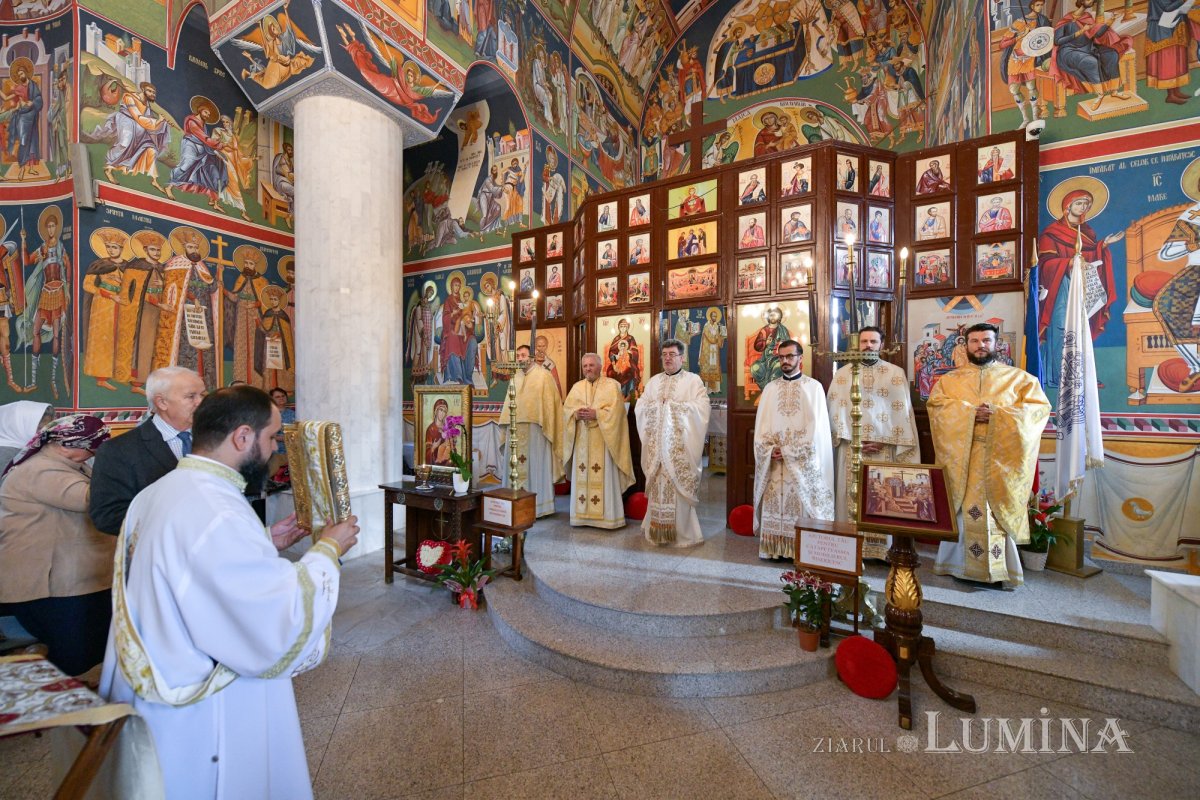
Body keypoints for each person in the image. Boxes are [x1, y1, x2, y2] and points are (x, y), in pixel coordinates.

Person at [99, 386, 360, 799]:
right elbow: (272, 616)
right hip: (202, 707)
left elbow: (196, 566)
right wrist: (328, 550)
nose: (274, 449)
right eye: (272, 438)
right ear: (242, 437)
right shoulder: (218, 510)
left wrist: (262, 540)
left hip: (158, 677)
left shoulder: (160, 492)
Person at [928, 323, 1049, 589]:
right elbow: (937, 408)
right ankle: (957, 565)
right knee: (963, 509)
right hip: (964, 458)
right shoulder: (948, 381)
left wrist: (998, 415)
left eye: (986, 340)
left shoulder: (1020, 380)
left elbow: (1036, 411)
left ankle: (999, 569)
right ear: (966, 345)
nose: (980, 345)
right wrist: (970, 414)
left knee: (995, 512)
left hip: (1000, 460)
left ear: (997, 344)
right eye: (974, 341)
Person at [0, 415, 112, 675]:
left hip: (72, 582)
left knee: (88, 653)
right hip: (53, 587)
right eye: (92, 448)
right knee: (74, 660)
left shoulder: (66, 466)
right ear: (67, 446)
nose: (94, 454)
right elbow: (92, 500)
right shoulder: (43, 470)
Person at [88, 367, 205, 535]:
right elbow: (107, 516)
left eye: (202, 395)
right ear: (162, 402)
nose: (200, 402)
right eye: (191, 396)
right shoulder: (119, 450)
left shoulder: (215, 439)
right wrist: (178, 522)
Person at [826, 327, 919, 522]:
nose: (868, 345)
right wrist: (854, 441)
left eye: (873, 341)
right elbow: (834, 412)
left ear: (881, 344)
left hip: (884, 449)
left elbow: (902, 413)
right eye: (864, 341)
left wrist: (883, 441)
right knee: (849, 497)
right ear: (856, 344)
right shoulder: (842, 375)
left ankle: (881, 549)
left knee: (884, 494)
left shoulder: (895, 373)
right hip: (850, 448)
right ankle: (851, 543)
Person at [753, 340, 834, 559]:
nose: (785, 361)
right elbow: (761, 427)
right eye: (781, 357)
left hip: (800, 463)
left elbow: (816, 430)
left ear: (800, 358)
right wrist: (769, 450)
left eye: (790, 356)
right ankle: (774, 550)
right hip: (775, 461)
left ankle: (800, 551)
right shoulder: (770, 389)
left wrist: (790, 450)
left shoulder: (813, 387)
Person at [635, 340, 710, 547]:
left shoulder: (693, 381)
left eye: (672, 354)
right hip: (656, 449)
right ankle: (656, 529)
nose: (667, 358)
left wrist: (672, 409)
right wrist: (656, 409)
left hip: (678, 449)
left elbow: (702, 408)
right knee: (658, 486)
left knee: (677, 488)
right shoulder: (653, 382)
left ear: (682, 358)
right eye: (665, 354)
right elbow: (641, 406)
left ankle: (682, 535)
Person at [562, 353, 634, 529]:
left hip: (604, 440)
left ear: (600, 366)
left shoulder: (611, 386)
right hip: (582, 440)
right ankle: (581, 517)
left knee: (603, 477)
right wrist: (575, 414)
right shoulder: (577, 387)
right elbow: (566, 411)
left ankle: (608, 519)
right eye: (585, 366)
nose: (588, 369)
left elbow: (617, 414)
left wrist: (597, 414)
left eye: (591, 365)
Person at [499, 346, 564, 517]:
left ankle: (538, 507)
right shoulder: (515, 377)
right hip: (514, 430)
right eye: (518, 355)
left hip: (536, 432)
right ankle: (513, 506)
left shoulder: (544, 376)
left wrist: (548, 426)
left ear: (532, 356)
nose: (520, 358)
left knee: (536, 466)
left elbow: (551, 406)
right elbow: (507, 407)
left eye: (523, 355)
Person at [0, 400, 52, 477]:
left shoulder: (25, 446)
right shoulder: (8, 455)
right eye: (39, 428)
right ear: (19, 425)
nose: (44, 433)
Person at [268, 387, 293, 477]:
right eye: (277, 397)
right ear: (272, 399)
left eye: (283, 396)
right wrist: (279, 438)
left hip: (290, 450)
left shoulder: (294, 414)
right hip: (274, 451)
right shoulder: (267, 414)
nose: (281, 398)